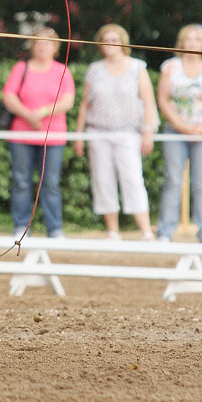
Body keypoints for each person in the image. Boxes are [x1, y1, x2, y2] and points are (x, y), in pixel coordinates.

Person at [74, 24, 157, 240]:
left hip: (129, 132)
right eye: (105, 40)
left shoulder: (137, 67)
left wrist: (148, 132)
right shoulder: (95, 69)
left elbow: (148, 101)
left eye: (113, 39)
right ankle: (113, 230)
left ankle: (146, 231)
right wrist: (79, 135)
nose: (109, 43)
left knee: (132, 179)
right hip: (98, 132)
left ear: (122, 42)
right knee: (102, 180)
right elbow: (85, 104)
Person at [2, 26, 75, 239]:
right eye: (38, 42)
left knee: (50, 183)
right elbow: (8, 96)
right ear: (32, 46)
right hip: (21, 135)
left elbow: (67, 101)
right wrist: (27, 114)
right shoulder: (21, 68)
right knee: (21, 181)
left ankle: (54, 228)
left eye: (47, 43)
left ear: (55, 47)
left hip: (53, 136)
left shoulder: (62, 70)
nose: (42, 46)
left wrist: (42, 113)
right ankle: (21, 226)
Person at [156, 23, 202, 243]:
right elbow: (163, 99)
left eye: (197, 39)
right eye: (188, 39)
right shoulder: (170, 66)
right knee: (172, 180)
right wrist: (181, 126)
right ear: (182, 42)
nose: (192, 43)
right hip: (175, 131)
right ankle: (165, 231)